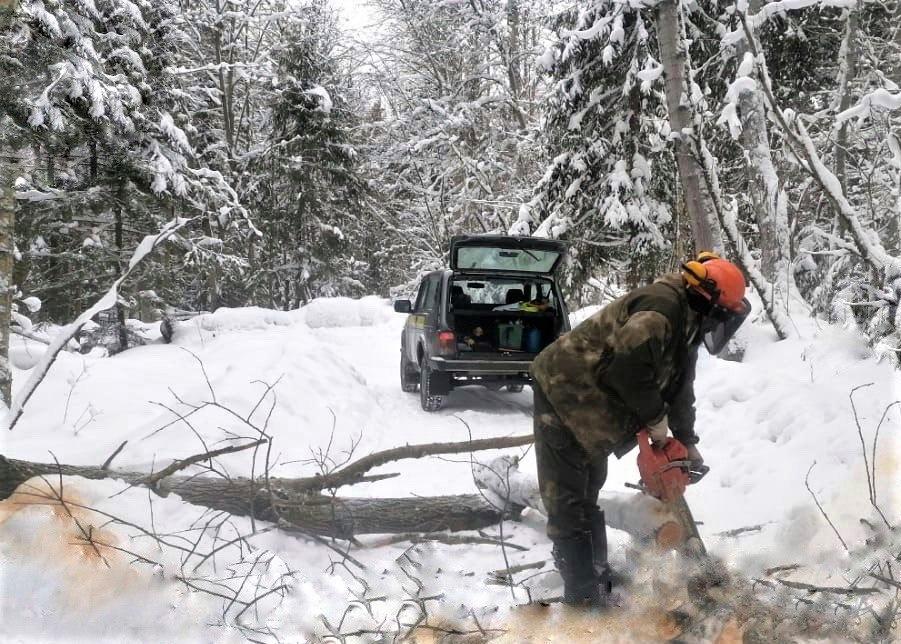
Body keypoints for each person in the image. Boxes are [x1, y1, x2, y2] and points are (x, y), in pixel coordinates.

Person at [529, 252, 751, 606]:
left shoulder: (688, 320)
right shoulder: (659, 311)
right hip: (564, 391)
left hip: (596, 402)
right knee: (567, 499)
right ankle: (583, 597)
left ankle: (596, 574)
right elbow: (627, 369)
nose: (716, 324)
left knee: (588, 484)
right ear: (705, 298)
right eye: (720, 315)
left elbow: (681, 388)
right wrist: (656, 423)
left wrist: (686, 441)